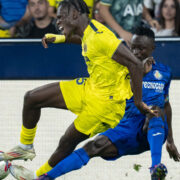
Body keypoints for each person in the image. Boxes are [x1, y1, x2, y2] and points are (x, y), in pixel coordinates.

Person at [0, 0, 155, 179]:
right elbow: (82, 38)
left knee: (66, 142)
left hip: (105, 105)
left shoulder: (102, 37)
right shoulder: (89, 29)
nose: (57, 22)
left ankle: (38, 176)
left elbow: (135, 64)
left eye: (60, 17)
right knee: (32, 98)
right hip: (90, 88)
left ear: (74, 14)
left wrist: (138, 101)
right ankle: (25, 147)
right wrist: (60, 38)